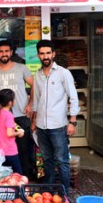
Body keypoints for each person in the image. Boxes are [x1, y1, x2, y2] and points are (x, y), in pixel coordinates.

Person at [31, 39, 79, 194]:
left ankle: (63, 193)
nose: (45, 56)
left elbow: (73, 97)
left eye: (48, 53)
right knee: (47, 160)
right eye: (42, 53)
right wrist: (33, 120)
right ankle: (49, 192)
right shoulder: (37, 75)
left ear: (53, 54)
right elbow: (37, 99)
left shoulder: (63, 73)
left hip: (58, 125)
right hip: (41, 126)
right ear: (38, 55)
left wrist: (72, 122)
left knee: (62, 161)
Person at [0, 40, 35, 178]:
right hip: (5, 118)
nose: (4, 54)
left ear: (11, 52)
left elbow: (34, 85)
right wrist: (0, 103)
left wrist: (30, 103)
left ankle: (24, 180)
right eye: (1, 51)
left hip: (22, 115)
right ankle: (7, 180)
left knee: (23, 151)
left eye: (7, 51)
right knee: (6, 152)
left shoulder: (22, 68)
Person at [0, 88, 25, 174]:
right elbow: (9, 133)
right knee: (18, 176)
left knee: (3, 177)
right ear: (10, 102)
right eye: (14, 99)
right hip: (10, 152)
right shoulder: (9, 115)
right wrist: (19, 132)